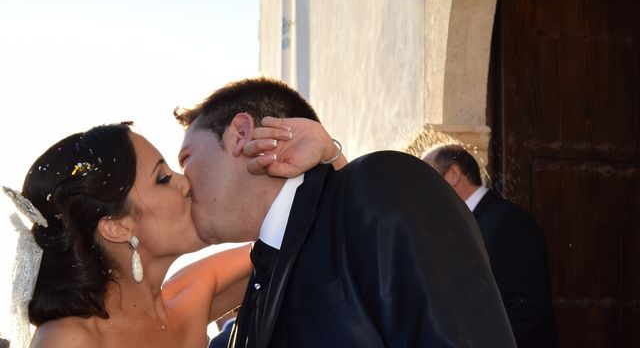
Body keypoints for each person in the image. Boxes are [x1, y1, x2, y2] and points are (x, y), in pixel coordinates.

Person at [174, 77, 517, 348]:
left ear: (241, 134)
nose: (182, 183)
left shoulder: (381, 182)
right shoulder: (260, 277)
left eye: (186, 159)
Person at [7, 118, 338, 348]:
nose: (185, 183)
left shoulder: (196, 292)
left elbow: (318, 235)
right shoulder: (69, 340)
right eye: (163, 178)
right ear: (117, 226)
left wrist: (327, 152)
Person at [423, 145, 558, 348]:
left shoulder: (508, 222)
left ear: (453, 174)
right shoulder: (456, 225)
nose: (422, 191)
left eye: (427, 179)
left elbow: (527, 309)